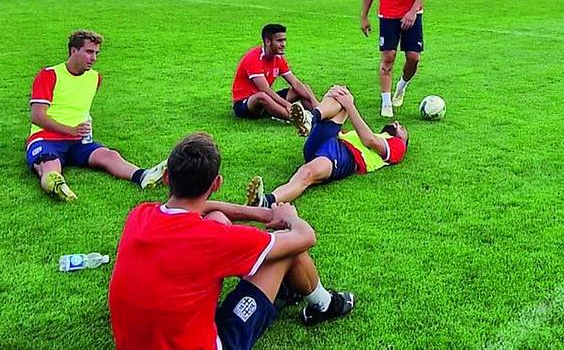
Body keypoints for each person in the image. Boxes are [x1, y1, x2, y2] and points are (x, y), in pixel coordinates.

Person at [109, 133, 355, 350]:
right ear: (216, 184)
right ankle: (324, 305)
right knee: (288, 248)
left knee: (218, 217)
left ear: (166, 177)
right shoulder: (213, 239)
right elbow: (305, 237)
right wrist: (289, 216)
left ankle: (287, 289)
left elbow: (206, 207)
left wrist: (265, 214)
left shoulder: (140, 214)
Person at [27, 30, 167, 201]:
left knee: (109, 155)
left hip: (78, 140)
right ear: (73, 51)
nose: (94, 58)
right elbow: (37, 116)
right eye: (89, 52)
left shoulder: (95, 78)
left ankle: (143, 176)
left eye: (96, 53)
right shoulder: (49, 75)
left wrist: (84, 126)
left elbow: (79, 107)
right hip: (46, 138)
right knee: (49, 162)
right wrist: (69, 130)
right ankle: (56, 184)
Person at [246, 86, 408, 206]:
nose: (397, 123)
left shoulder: (397, 146)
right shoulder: (369, 134)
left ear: (404, 140)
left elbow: (369, 141)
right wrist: (328, 96)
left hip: (344, 156)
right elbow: (334, 120)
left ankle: (266, 201)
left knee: (306, 173)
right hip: (333, 141)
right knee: (342, 94)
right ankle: (310, 118)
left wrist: (350, 105)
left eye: (402, 128)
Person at [232, 23, 319, 135]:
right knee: (262, 96)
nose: (283, 44)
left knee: (302, 88)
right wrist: (287, 105)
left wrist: (315, 102)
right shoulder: (253, 58)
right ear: (268, 42)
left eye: (284, 40)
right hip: (246, 103)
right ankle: (301, 120)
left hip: (268, 99)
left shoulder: (278, 58)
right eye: (279, 41)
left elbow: (295, 83)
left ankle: (318, 114)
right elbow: (265, 90)